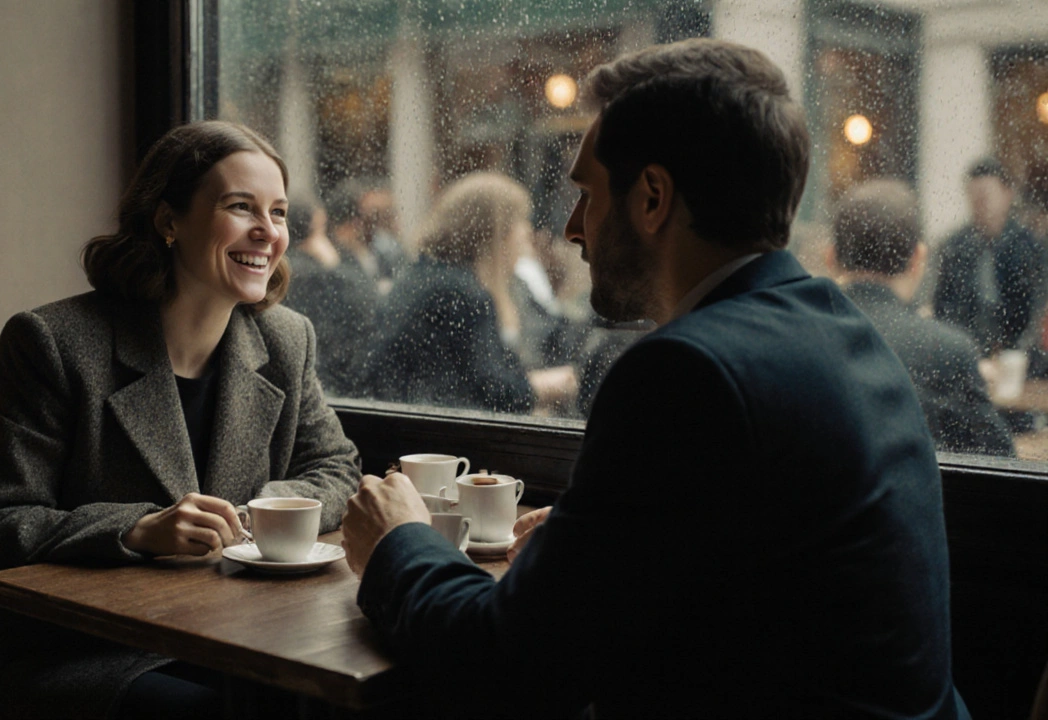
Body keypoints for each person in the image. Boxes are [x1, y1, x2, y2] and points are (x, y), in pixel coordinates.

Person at [342, 39, 968, 719]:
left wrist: (397, 543)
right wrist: (598, 544)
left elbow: (507, 665)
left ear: (652, 197)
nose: (574, 228)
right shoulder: (841, 329)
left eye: (585, 194)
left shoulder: (684, 372)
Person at [0, 121, 362, 720]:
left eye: (279, 213)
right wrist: (137, 530)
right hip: (51, 653)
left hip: (219, 636)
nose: (268, 232)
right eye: (240, 207)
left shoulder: (286, 340)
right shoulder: (52, 342)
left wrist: (265, 510)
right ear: (168, 221)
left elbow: (335, 466)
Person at [829, 179, 1014, 456]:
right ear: (918, 258)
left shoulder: (796, 336)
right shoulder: (948, 350)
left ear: (831, 258)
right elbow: (1002, 462)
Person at [367, 172, 576, 414]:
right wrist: (546, 386)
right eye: (520, 221)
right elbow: (490, 392)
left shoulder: (426, 274)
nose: (527, 232)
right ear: (496, 232)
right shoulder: (460, 294)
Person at [933, 158, 1048, 356]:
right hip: (965, 351)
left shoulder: (1030, 246)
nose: (980, 203)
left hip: (1020, 355)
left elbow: (1038, 308)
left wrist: (1016, 352)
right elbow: (944, 306)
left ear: (1007, 194)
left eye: (986, 195)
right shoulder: (955, 247)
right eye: (973, 195)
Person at [283, 197, 379, 397]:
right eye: (322, 228)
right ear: (311, 231)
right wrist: (333, 263)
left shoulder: (286, 266)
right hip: (329, 380)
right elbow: (367, 301)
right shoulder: (313, 272)